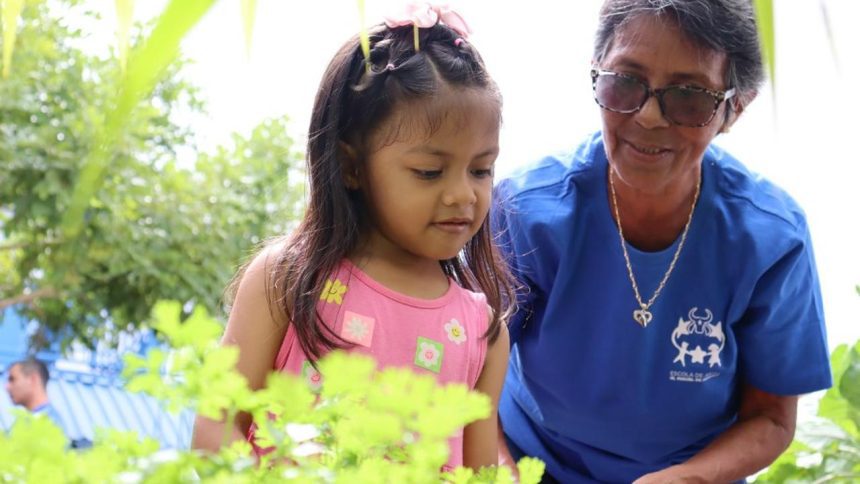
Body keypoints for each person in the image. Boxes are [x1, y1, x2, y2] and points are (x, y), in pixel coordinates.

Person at [493, 0, 832, 482]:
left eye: (689, 96)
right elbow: (466, 377)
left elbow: (771, 417)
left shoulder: (771, 240)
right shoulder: (526, 211)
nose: (649, 116)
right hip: (529, 461)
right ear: (595, 74)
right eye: (625, 81)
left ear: (736, 106)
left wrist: (686, 478)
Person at [191, 3, 515, 472]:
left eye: (481, 170)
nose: (463, 195)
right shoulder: (289, 280)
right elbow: (216, 426)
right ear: (351, 165)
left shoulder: (483, 332)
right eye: (429, 171)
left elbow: (480, 476)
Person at [5, 358, 65, 432]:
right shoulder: (25, 420)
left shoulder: (51, 424)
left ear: (33, 379)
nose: (7, 387)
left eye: (12, 379)